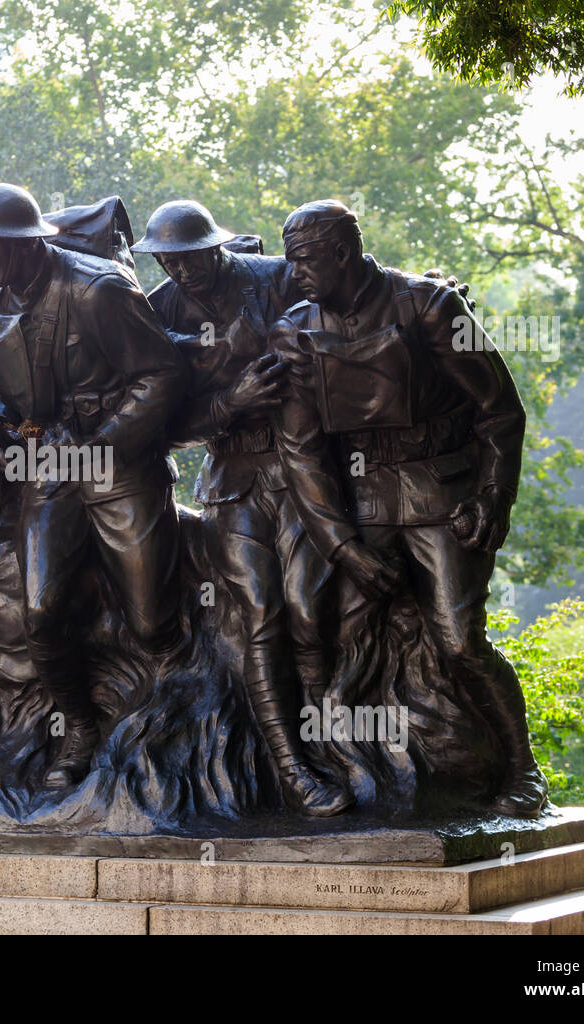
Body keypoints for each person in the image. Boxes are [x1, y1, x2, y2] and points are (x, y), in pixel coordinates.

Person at [270, 199, 547, 817]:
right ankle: (347, 769)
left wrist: (492, 496)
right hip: (363, 505)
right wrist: (344, 547)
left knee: (459, 642)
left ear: (344, 252)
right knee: (318, 625)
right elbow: (300, 452)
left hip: (441, 499)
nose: (297, 275)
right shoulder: (293, 329)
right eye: (290, 262)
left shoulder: (430, 306)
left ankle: (522, 770)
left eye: (307, 260)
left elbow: (500, 410)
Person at [0, 182, 184, 789]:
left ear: (23, 244)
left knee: (152, 622)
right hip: (48, 469)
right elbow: (13, 382)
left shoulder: (98, 290)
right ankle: (77, 726)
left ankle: (165, 711)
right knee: (41, 611)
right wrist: (4, 425)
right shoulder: (1, 292)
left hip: (115, 464)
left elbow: (161, 375)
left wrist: (98, 444)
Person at [135, 199, 351, 815]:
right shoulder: (159, 312)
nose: (180, 272)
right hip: (233, 476)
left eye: (189, 258)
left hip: (305, 470)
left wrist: (427, 297)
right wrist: (232, 402)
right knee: (261, 610)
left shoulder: (276, 277)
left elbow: (353, 301)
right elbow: (165, 425)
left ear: (216, 247)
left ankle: (336, 746)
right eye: (168, 262)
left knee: (310, 609)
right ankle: (292, 767)